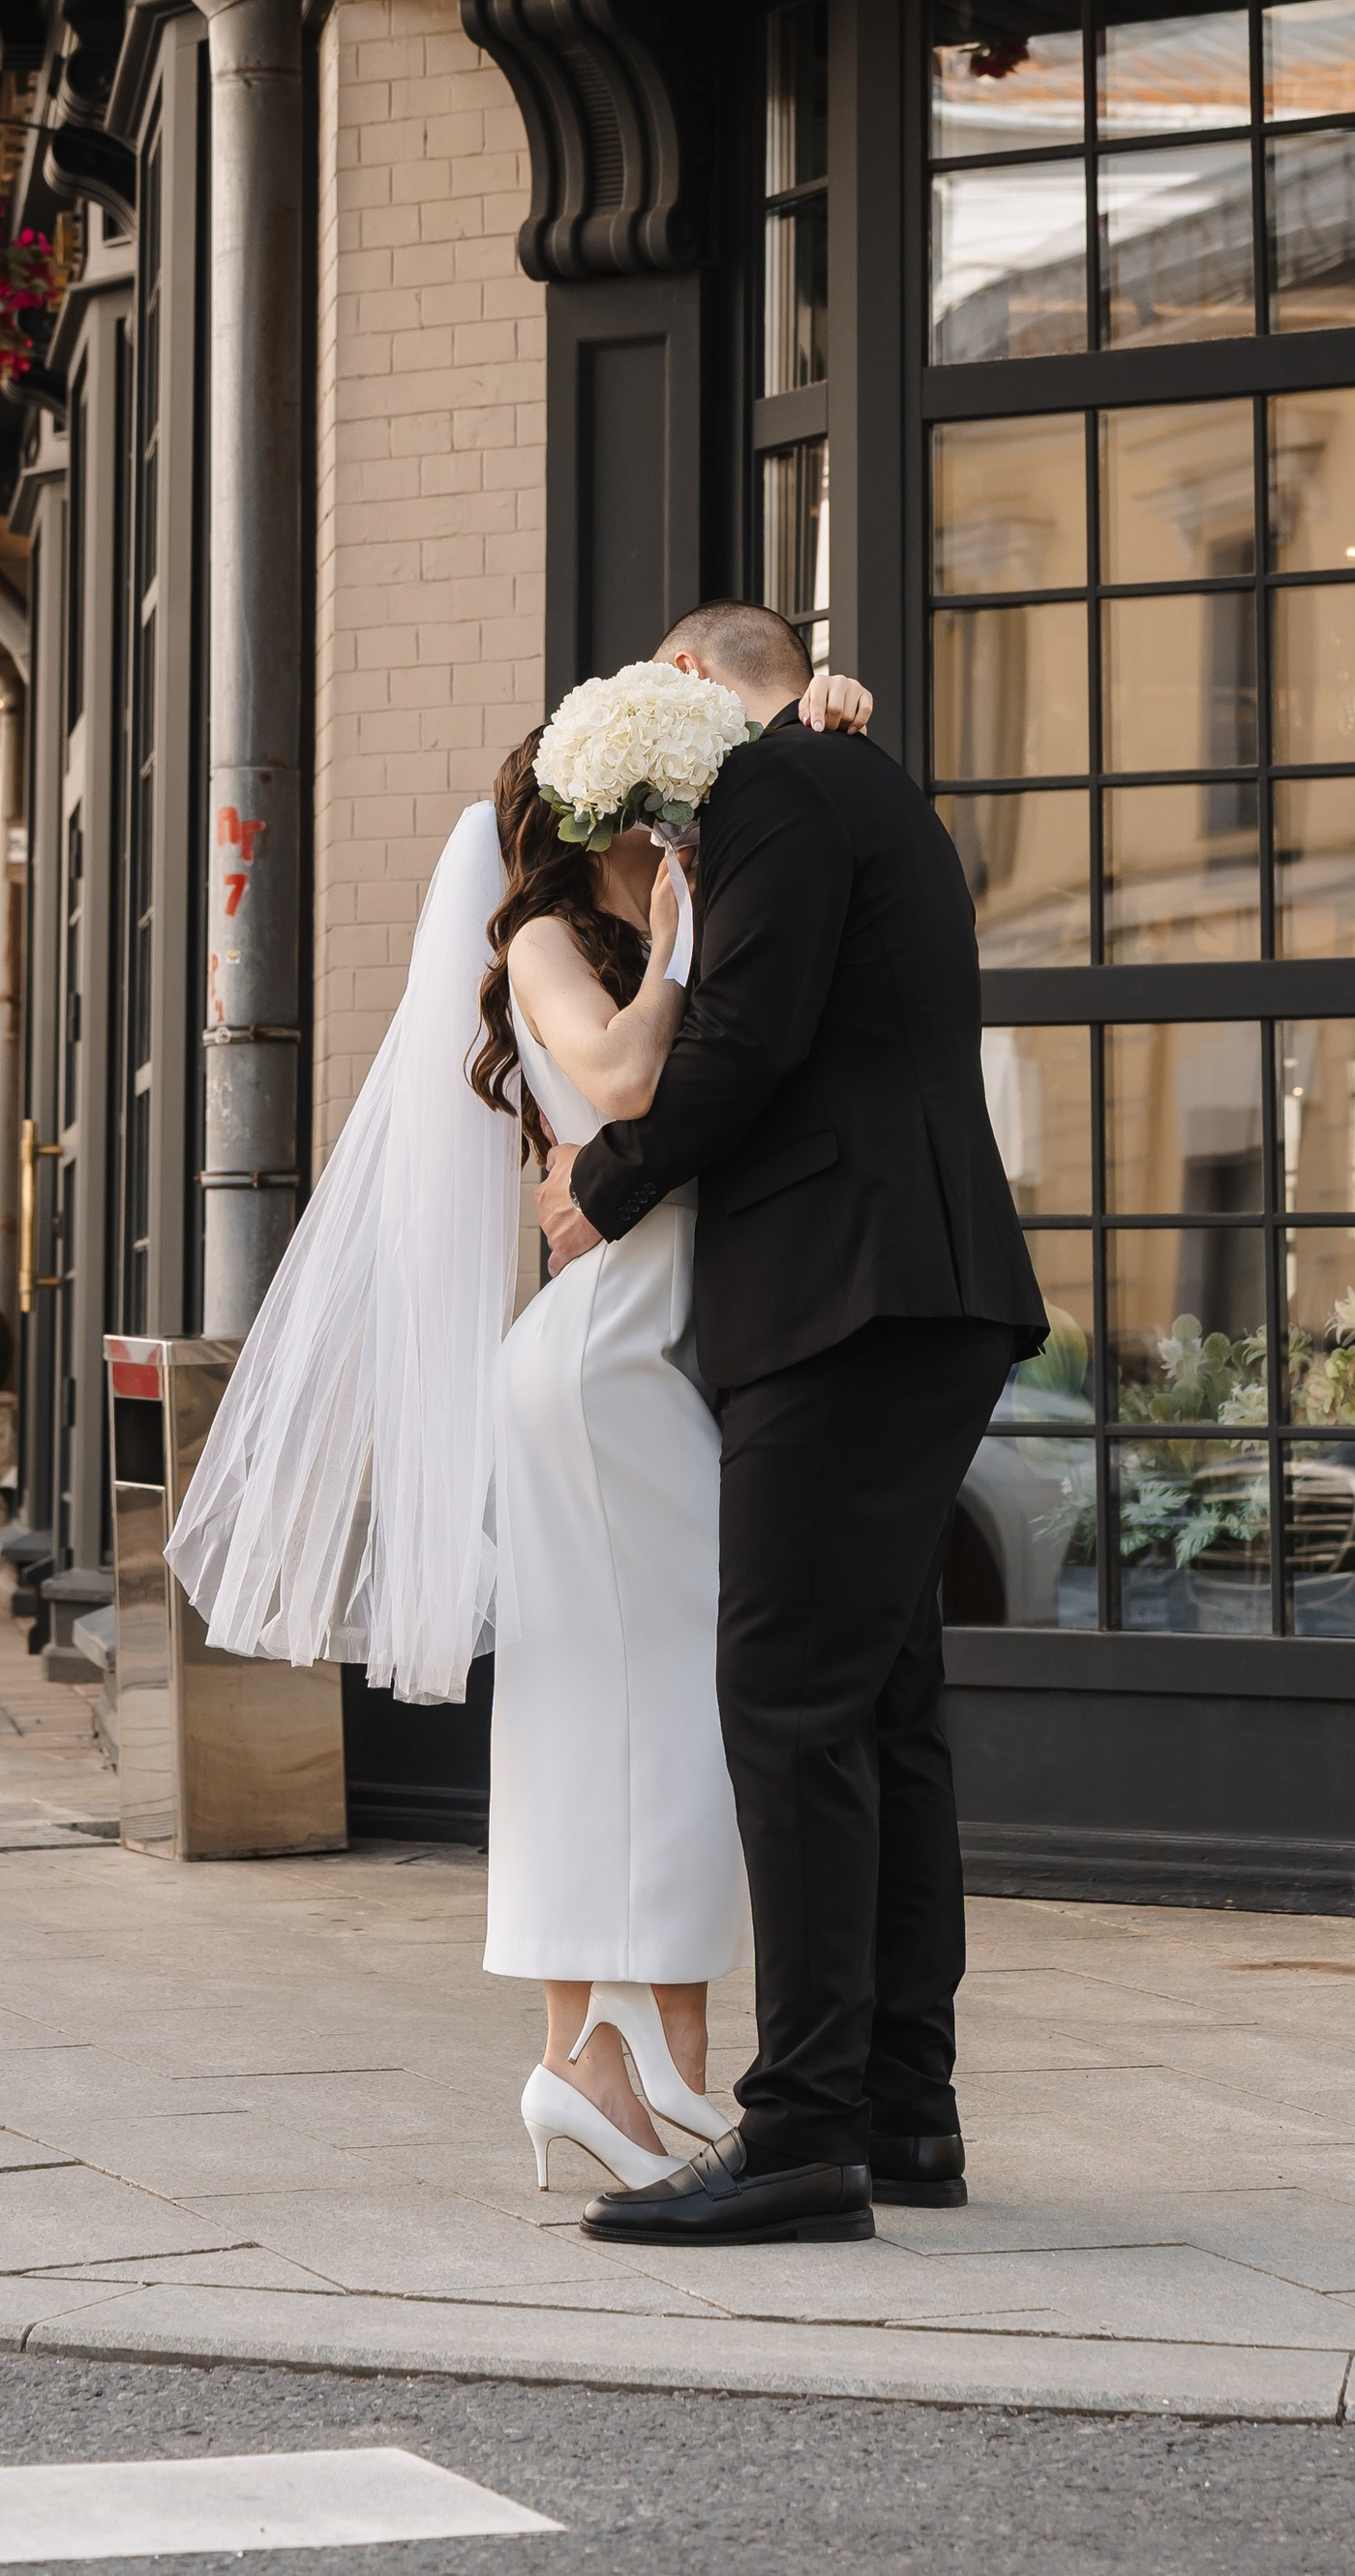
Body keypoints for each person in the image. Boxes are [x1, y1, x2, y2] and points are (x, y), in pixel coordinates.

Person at [167, 651, 872, 2198]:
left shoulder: (621, 923)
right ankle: (617, 2058)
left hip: (626, 1352)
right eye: (646, 812)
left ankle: (607, 2066)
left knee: (609, 1708)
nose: (668, 831)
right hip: (606, 1360)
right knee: (667, 1708)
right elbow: (624, 1085)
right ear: (585, 819)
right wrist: (681, 952)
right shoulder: (553, 939)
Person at [540, 598, 1046, 2254]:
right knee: (880, 1712)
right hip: (906, 1285)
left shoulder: (778, 790)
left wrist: (599, 1188)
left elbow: (746, 1043)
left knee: (786, 1702)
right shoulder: (856, 776)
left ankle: (806, 2133)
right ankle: (905, 2108)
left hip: (853, 1294)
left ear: (686, 687)